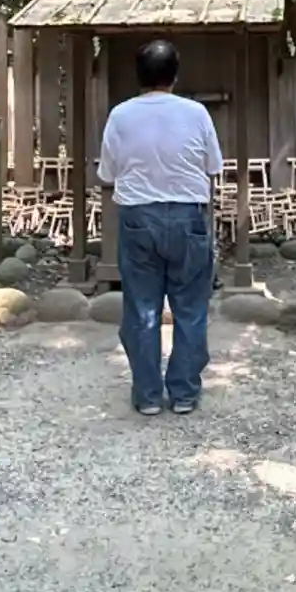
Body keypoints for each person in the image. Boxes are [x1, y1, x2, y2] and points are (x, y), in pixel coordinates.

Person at [96, 39, 221, 416]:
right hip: (188, 217)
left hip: (138, 218)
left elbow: (107, 174)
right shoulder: (196, 113)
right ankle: (184, 393)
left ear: (138, 75)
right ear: (175, 74)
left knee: (141, 309)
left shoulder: (120, 115)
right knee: (190, 308)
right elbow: (213, 167)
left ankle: (148, 395)